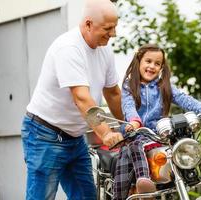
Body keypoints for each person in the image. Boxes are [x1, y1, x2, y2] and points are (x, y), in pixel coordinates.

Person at [20, 0, 124, 199]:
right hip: (44, 134)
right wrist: (106, 133)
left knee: (86, 196)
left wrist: (127, 126)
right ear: (88, 24)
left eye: (115, 27)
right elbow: (82, 99)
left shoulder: (105, 50)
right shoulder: (68, 48)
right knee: (42, 196)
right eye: (108, 28)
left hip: (75, 138)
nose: (113, 34)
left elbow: (113, 93)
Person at [113, 44, 201, 199]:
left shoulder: (165, 86)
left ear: (162, 67)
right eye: (148, 61)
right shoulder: (129, 85)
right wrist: (135, 121)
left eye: (157, 63)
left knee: (183, 146)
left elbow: (186, 100)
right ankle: (144, 181)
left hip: (159, 135)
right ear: (138, 61)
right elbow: (128, 106)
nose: (152, 66)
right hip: (136, 134)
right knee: (136, 145)